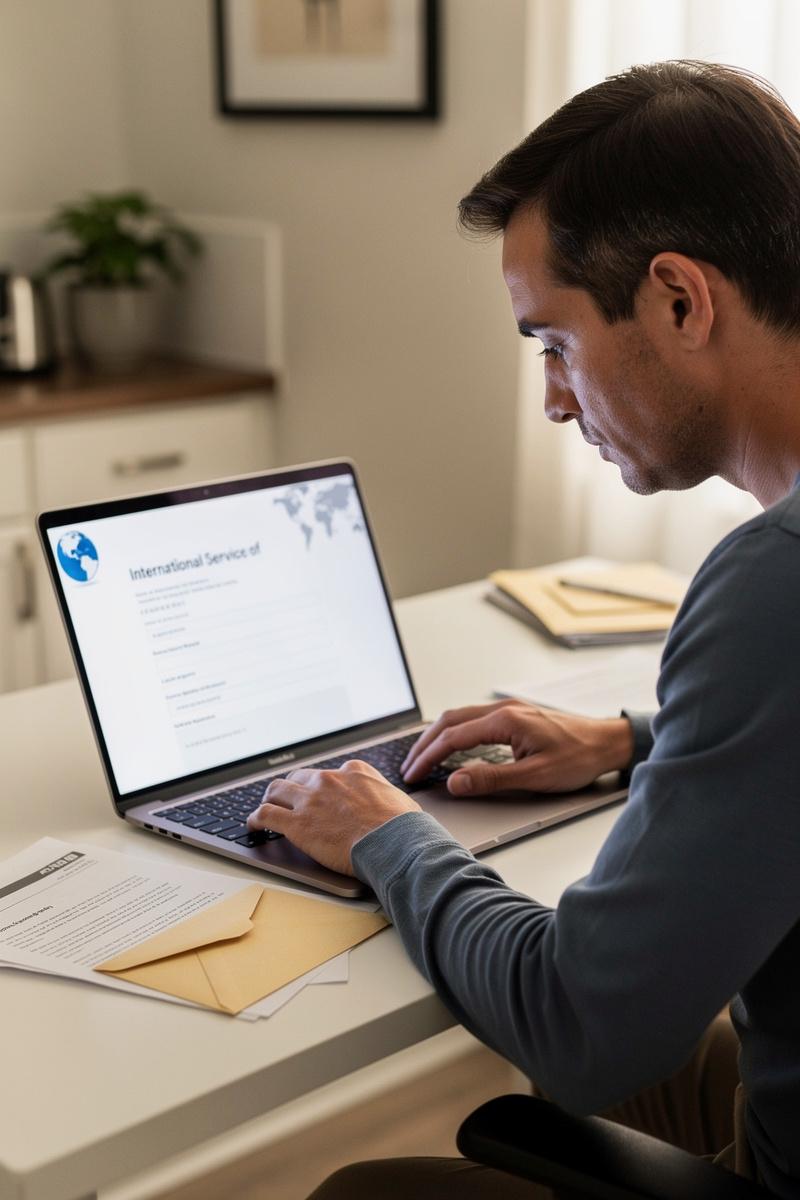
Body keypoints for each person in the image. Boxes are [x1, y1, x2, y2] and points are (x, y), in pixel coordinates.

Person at [247, 60, 800, 1198]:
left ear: (678, 300)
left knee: (363, 1191)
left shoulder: (772, 585)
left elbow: (578, 1021)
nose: (553, 398)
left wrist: (383, 833)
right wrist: (633, 740)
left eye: (552, 343)